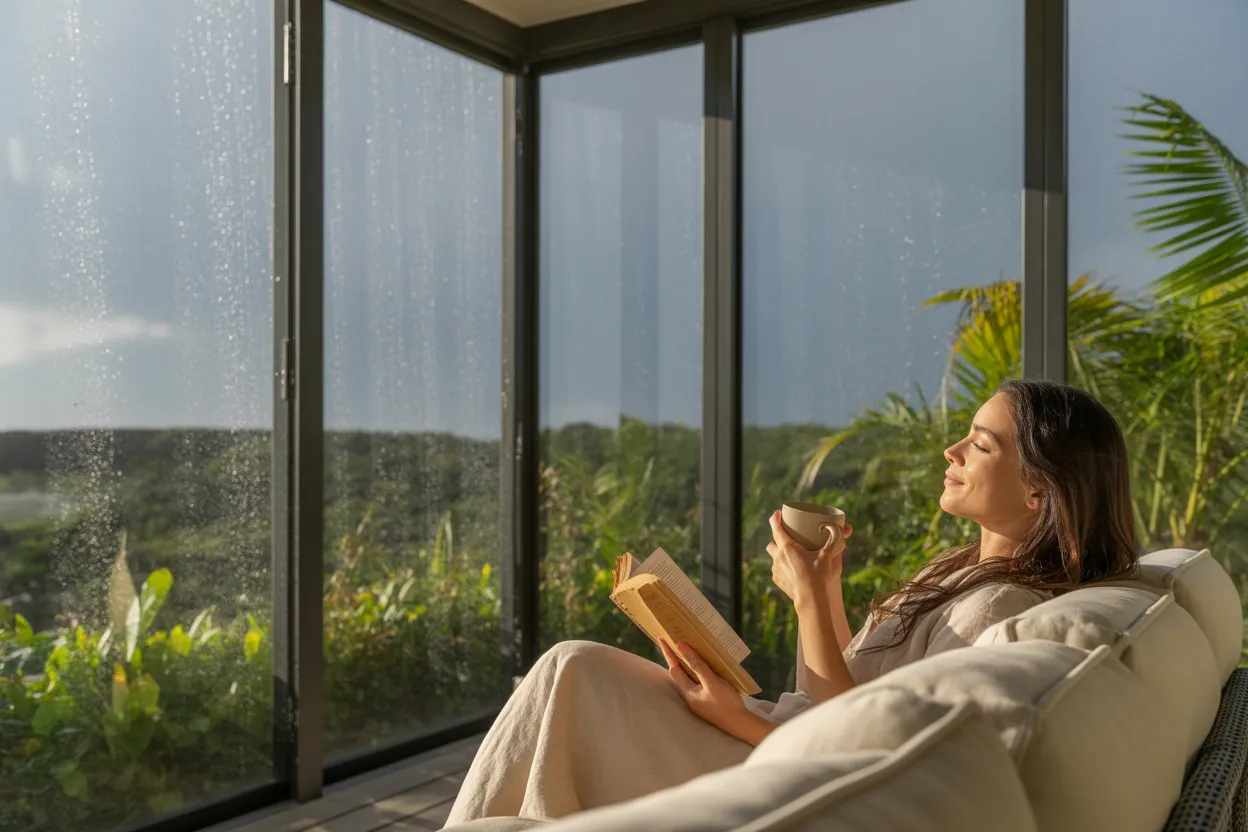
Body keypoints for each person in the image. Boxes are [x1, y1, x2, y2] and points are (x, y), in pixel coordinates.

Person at [444, 380, 1139, 825]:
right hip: (782, 732)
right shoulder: (963, 571)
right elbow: (848, 690)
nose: (952, 449)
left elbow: (871, 757)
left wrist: (740, 703)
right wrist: (825, 591)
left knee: (571, 668)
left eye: (980, 445)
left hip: (784, 771)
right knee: (575, 673)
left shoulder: (996, 608)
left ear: (1038, 492)